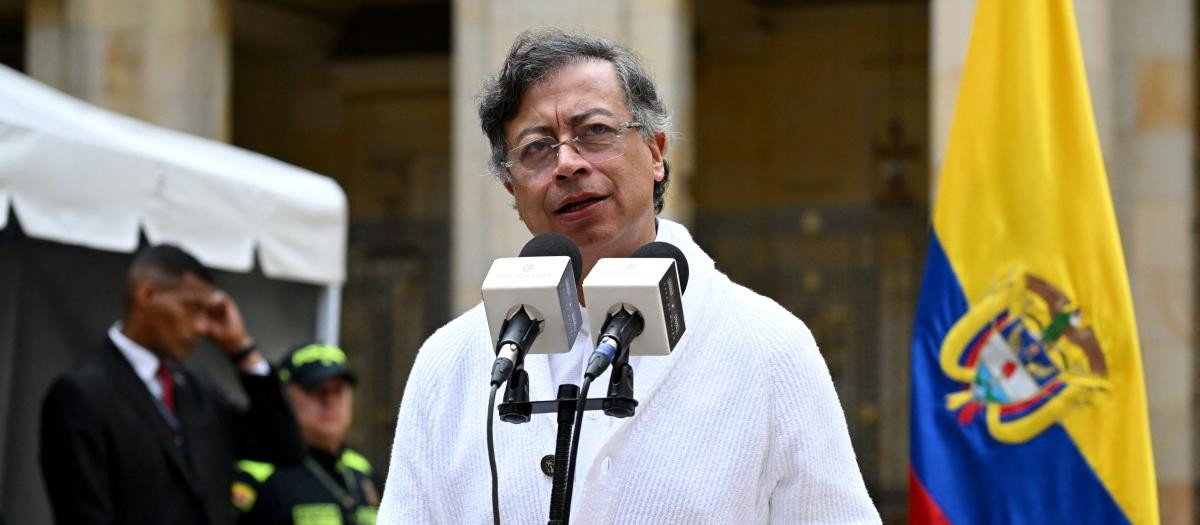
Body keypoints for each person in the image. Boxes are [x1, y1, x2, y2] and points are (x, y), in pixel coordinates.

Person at [378, 29, 880, 523]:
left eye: (595, 131)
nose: (568, 164)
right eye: (537, 148)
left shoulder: (768, 347)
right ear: (512, 189)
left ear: (656, 153)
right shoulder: (450, 363)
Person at [39, 244, 305, 525]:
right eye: (193, 307)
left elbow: (285, 448)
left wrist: (241, 350)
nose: (202, 327)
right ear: (147, 295)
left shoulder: (197, 387)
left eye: (208, 312)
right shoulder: (83, 392)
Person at [232, 343, 381, 524]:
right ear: (285, 396)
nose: (330, 401)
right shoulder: (261, 473)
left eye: (338, 390)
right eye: (317, 390)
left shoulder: (361, 470)